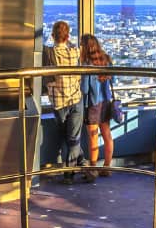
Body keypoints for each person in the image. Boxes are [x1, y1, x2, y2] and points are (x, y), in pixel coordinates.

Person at [44, 20, 93, 184]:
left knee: (70, 138)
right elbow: (71, 44)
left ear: (52, 35)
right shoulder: (74, 51)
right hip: (75, 99)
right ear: (67, 37)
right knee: (73, 138)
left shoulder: (49, 53)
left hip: (58, 102)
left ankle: (69, 174)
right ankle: (84, 166)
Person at [79, 34, 115, 177]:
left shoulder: (87, 64)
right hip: (106, 101)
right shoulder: (107, 59)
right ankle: (107, 166)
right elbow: (113, 79)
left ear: (85, 47)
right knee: (107, 135)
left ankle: (93, 168)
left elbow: (84, 88)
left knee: (93, 137)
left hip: (93, 104)